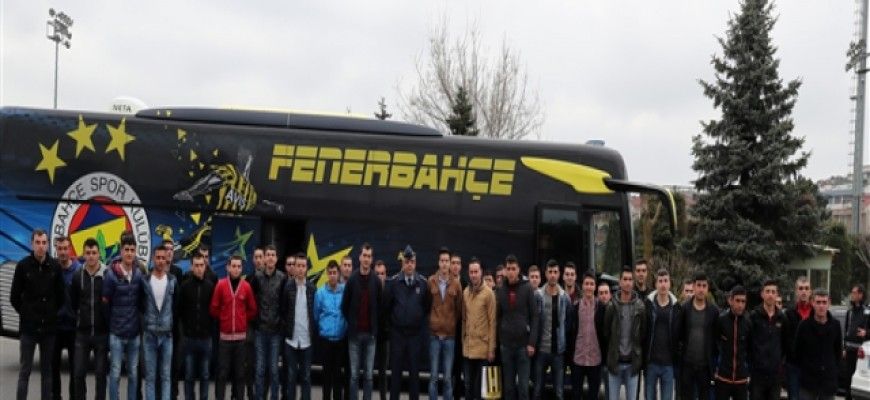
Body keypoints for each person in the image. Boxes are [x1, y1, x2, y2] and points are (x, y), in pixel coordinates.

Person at [10, 228, 64, 400]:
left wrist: (51, 314)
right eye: (37, 243)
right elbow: (14, 297)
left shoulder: (55, 267)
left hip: (49, 329)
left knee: (47, 372)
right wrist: (27, 314)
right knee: (25, 371)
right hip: (28, 329)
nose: (41, 246)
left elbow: (61, 297)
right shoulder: (22, 266)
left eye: (44, 243)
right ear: (31, 244)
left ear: (48, 245)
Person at [384, 245, 432, 400]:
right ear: (402, 263)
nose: (409, 265)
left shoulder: (423, 283)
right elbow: (387, 307)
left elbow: (426, 307)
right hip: (398, 335)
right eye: (407, 262)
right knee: (396, 374)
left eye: (412, 262)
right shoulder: (393, 282)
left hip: (414, 336)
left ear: (415, 263)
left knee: (414, 375)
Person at [103, 233, 147, 400]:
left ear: (135, 252)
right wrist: (113, 323)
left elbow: (142, 302)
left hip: (134, 334)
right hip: (116, 334)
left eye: (132, 250)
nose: (129, 253)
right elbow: (105, 304)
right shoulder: (111, 275)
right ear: (121, 251)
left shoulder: (139, 274)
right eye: (126, 250)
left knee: (133, 374)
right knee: (115, 374)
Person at [210, 255, 258, 400]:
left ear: (242, 268)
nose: (236, 269)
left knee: (240, 375)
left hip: (241, 340)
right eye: (234, 266)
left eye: (239, 266)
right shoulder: (221, 285)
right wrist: (224, 318)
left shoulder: (246, 287)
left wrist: (242, 319)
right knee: (222, 374)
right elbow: (213, 309)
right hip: (224, 339)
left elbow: (252, 309)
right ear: (228, 267)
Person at [496, 254, 539, 400]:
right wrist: (501, 338)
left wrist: (532, 342)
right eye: (508, 269)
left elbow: (535, 316)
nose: (511, 272)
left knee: (523, 389)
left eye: (513, 268)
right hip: (506, 347)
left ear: (518, 269)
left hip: (523, 347)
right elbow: (498, 316)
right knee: (508, 389)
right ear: (505, 270)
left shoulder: (527, 288)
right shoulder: (501, 289)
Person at [71, 238, 109, 400]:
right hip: (82, 334)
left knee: (101, 375)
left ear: (99, 254)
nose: (91, 256)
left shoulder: (107, 275)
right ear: (83, 254)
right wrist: (79, 320)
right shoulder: (77, 275)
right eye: (88, 253)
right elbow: (73, 302)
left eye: (94, 253)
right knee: (78, 374)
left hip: (102, 333)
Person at [342, 243, 381, 400]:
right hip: (355, 336)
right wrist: (352, 323)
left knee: (369, 375)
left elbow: (380, 306)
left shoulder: (376, 281)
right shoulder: (352, 279)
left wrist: (374, 328)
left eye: (369, 256)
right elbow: (344, 306)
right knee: (354, 375)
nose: (366, 259)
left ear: (372, 259)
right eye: (364, 255)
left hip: (371, 336)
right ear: (359, 257)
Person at [142, 245, 179, 400]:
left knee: (165, 376)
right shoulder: (145, 281)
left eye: (163, 258)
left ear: (167, 259)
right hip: (149, 334)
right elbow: (140, 305)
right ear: (153, 258)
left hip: (167, 335)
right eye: (158, 257)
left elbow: (176, 306)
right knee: (150, 377)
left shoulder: (172, 281)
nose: (161, 261)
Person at [604, 267, 646, 400]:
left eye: (630, 279)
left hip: (632, 364)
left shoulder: (640, 306)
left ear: (633, 282)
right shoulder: (611, 305)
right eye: (625, 279)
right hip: (615, 363)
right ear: (620, 282)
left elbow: (643, 333)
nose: (628, 282)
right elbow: (606, 333)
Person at [251, 244, 287, 400]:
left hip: (275, 333)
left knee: (273, 370)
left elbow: (285, 304)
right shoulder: (257, 277)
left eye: (273, 255)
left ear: (276, 259)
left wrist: (281, 323)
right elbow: (251, 301)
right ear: (264, 258)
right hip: (260, 331)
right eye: (268, 255)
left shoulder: (282, 278)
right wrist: (255, 321)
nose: (270, 257)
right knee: (259, 369)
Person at [428, 248, 464, 400]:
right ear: (438, 262)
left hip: (450, 337)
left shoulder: (456, 284)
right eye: (442, 260)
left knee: (448, 378)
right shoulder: (431, 281)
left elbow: (459, 310)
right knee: (434, 377)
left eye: (447, 261)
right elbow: (426, 305)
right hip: (434, 337)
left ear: (450, 264)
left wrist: (450, 324)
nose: (444, 264)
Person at [794, 289, 842, 400]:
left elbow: (838, 352)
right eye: (818, 302)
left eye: (824, 302)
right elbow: (797, 352)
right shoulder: (803, 326)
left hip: (828, 383)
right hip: (808, 383)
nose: (821, 306)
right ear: (812, 303)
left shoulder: (835, 325)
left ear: (829, 303)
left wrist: (831, 370)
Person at [678, 272, 719, 400]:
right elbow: (679, 334)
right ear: (694, 287)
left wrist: (715, 365)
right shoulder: (684, 309)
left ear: (707, 288)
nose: (701, 289)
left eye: (704, 286)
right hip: (687, 364)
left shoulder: (713, 311)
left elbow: (716, 339)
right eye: (699, 285)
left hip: (705, 367)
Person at [281, 253, 317, 400]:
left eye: (303, 266)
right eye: (298, 266)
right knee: (291, 377)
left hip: (307, 341)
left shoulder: (312, 288)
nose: (301, 269)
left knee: (306, 377)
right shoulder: (287, 287)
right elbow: (283, 310)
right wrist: (286, 329)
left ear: (307, 268)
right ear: (294, 268)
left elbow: (314, 313)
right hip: (291, 340)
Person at [179, 254, 215, 400]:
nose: (199, 268)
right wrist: (185, 331)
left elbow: (214, 312)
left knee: (205, 375)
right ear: (191, 267)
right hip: (189, 339)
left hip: (206, 339)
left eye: (201, 265)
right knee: (189, 375)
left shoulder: (210, 286)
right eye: (196, 265)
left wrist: (209, 330)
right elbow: (180, 311)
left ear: (205, 267)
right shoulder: (185, 286)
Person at [534, 260, 570, 400]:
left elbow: (568, 323)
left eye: (555, 272)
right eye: (550, 272)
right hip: (541, 349)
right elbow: (533, 320)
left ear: (559, 274)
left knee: (559, 392)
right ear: (546, 274)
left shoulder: (564, 297)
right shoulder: (538, 296)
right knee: (537, 390)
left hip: (558, 351)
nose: (553, 275)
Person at [51, 235, 82, 400]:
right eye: (60, 249)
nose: (63, 252)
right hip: (55, 328)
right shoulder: (52, 270)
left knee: (74, 369)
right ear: (56, 250)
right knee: (53, 368)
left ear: (70, 249)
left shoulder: (79, 271)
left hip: (73, 328)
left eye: (65, 248)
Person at [462, 257, 497, 400]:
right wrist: (463, 341)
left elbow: (492, 322)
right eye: (471, 272)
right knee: (468, 386)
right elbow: (464, 320)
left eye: (476, 271)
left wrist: (491, 349)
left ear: (481, 272)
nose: (473, 275)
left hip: (483, 350)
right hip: (468, 348)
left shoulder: (489, 294)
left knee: (480, 389)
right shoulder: (465, 292)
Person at [644, 269, 681, 400]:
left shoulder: (676, 307)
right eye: (660, 281)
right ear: (656, 284)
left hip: (668, 364)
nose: (663, 284)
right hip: (651, 362)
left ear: (670, 283)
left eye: (665, 281)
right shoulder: (648, 304)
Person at [748, 279, 786, 400]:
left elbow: (785, 344)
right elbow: (748, 343)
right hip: (757, 375)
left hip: (775, 375)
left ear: (777, 294)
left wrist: (780, 364)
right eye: (767, 291)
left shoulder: (782, 318)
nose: (770, 294)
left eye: (773, 292)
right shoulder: (754, 316)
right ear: (762, 294)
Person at [315, 260, 348, 400]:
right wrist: (324, 328)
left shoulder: (344, 292)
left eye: (335, 273)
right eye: (330, 273)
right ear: (327, 274)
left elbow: (347, 312)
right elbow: (316, 315)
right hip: (326, 340)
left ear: (339, 274)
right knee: (326, 375)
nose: (333, 275)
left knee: (338, 376)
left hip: (340, 340)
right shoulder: (320, 293)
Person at [570, 272, 606, 400]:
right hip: (578, 359)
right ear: (582, 286)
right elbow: (571, 332)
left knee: (593, 395)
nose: (589, 287)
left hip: (595, 359)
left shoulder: (601, 308)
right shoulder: (575, 307)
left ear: (595, 286)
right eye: (587, 284)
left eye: (591, 284)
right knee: (576, 394)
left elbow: (604, 333)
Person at [713, 286, 750, 400]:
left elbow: (751, 349)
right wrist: (715, 367)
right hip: (723, 377)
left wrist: (748, 371)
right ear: (730, 300)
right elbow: (714, 345)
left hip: (741, 379)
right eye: (737, 300)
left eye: (743, 301)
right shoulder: (721, 320)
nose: (740, 305)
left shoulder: (748, 323)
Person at [161, 239, 184, 400]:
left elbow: (179, 300)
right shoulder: (154, 272)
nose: (169, 251)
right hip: (158, 326)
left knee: (174, 365)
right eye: (166, 249)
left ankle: (173, 395)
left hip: (174, 326)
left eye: (171, 249)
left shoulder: (178, 272)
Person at [785, 277, 813, 400]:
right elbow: (786, 340)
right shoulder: (789, 313)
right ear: (796, 291)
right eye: (801, 288)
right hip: (794, 366)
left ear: (810, 291)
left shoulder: (816, 313)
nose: (804, 291)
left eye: (806, 288)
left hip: (811, 366)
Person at [844, 284, 869, 400]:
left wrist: (866, 333)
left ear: (860, 295)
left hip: (861, 353)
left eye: (854, 293)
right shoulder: (849, 312)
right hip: (849, 351)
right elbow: (846, 331)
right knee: (848, 381)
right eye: (852, 292)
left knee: (858, 384)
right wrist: (844, 348)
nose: (852, 295)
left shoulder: (867, 312)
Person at [373, 260, 390, 400]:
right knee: (367, 372)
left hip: (385, 338)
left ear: (386, 275)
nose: (380, 276)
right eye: (377, 274)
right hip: (370, 336)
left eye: (382, 273)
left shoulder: (390, 292)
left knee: (383, 372)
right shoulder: (369, 291)